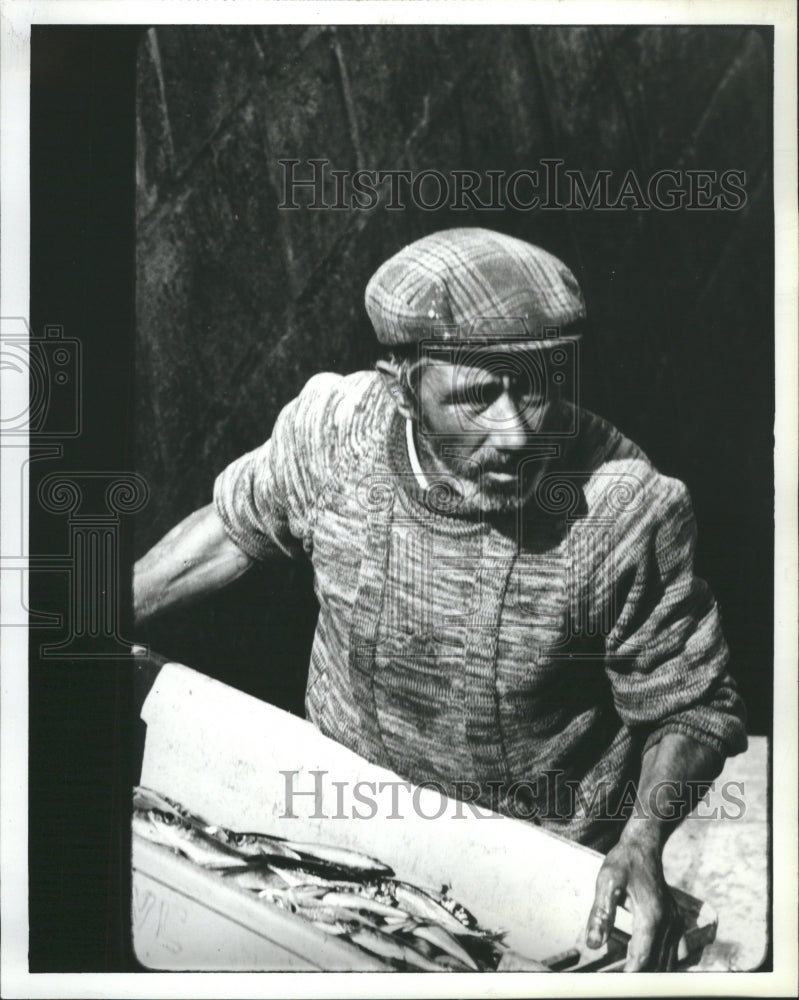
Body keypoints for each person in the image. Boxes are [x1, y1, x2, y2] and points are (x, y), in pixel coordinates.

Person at [134, 227, 747, 971]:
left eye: (536, 386)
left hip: (526, 869)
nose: (517, 431)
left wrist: (641, 841)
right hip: (332, 822)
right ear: (402, 387)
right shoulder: (334, 433)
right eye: (476, 397)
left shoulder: (621, 511)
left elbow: (691, 705)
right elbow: (236, 527)